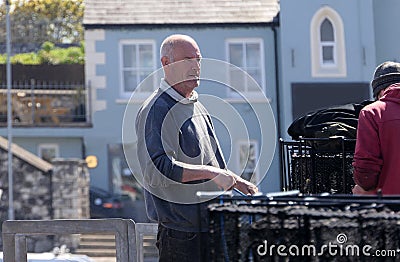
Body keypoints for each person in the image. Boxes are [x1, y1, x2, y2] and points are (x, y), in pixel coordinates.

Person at [135, 34, 258, 261]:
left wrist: (237, 181)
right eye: (187, 60)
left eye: (198, 60)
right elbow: (156, 170)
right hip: (182, 237)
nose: (195, 66)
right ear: (166, 63)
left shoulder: (197, 106)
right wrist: (212, 174)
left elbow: (213, 165)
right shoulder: (156, 109)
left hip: (212, 228)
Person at [352, 61, 400, 195]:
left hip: (389, 208)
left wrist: (362, 188)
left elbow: (366, 175)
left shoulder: (372, 113)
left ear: (380, 92)